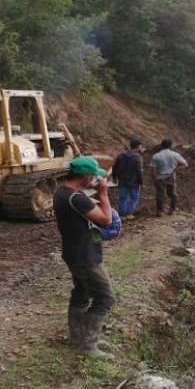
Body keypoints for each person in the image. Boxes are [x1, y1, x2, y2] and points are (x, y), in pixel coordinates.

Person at [53, 156, 115, 359]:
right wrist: (104, 194)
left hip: (74, 252)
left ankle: (79, 337)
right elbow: (106, 220)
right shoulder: (77, 198)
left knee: (81, 293)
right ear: (87, 176)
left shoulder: (63, 192)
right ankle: (88, 343)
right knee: (105, 298)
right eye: (94, 177)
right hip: (84, 255)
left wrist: (94, 195)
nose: (95, 180)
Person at [150, 138, 188, 217]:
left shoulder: (156, 156)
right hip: (171, 176)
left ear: (161, 145)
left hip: (160, 177)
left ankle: (159, 211)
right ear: (171, 146)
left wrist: (154, 178)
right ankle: (172, 209)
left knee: (160, 194)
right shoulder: (175, 154)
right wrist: (175, 169)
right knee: (172, 193)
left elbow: (152, 169)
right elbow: (185, 165)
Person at [111, 138, 143, 220]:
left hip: (122, 180)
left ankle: (121, 215)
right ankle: (129, 214)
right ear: (138, 146)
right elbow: (139, 171)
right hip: (134, 182)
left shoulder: (121, 155)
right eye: (140, 146)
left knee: (122, 198)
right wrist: (141, 182)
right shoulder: (137, 157)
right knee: (134, 198)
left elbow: (114, 167)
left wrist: (114, 177)